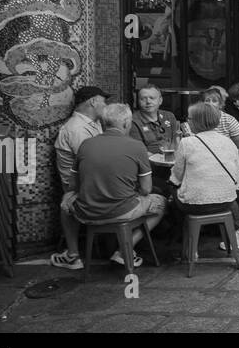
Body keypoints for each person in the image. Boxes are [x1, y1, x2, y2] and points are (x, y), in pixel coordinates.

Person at [63, 104, 168, 269]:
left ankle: (73, 256)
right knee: (161, 202)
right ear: (127, 123)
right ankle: (124, 249)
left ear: (104, 123)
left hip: (87, 212)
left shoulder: (86, 145)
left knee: (65, 202)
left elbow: (73, 185)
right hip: (123, 211)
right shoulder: (137, 147)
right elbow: (146, 190)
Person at [169, 103, 239, 248]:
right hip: (227, 202)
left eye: (189, 118)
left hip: (194, 206)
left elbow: (177, 176)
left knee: (170, 190)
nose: (187, 122)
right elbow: (237, 178)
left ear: (196, 121)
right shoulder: (228, 142)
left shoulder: (186, 142)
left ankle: (187, 244)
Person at [49, 86, 109, 269]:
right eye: (103, 101)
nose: (106, 106)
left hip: (95, 181)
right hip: (80, 188)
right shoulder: (76, 129)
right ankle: (73, 255)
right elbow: (92, 163)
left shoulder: (94, 123)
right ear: (93, 101)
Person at [130, 85, 181, 155]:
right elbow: (138, 151)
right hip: (150, 163)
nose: (148, 101)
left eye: (152, 98)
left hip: (172, 160)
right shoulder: (133, 121)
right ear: (138, 101)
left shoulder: (169, 116)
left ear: (160, 100)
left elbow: (176, 141)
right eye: (143, 99)